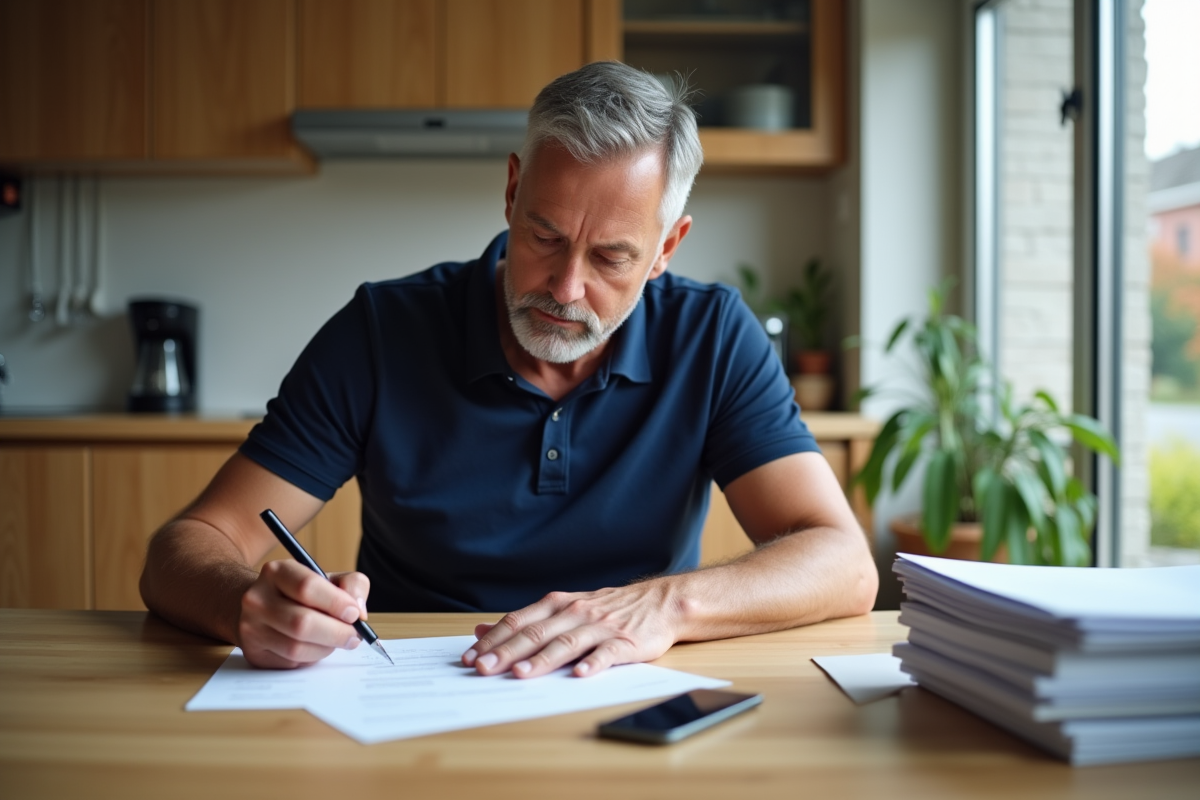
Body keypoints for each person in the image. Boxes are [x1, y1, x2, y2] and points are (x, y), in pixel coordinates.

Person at [140, 61, 877, 677]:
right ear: (511, 191)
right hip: (408, 697)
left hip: (621, 696)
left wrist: (661, 605)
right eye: (544, 235)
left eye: (612, 257)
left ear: (666, 248)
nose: (565, 288)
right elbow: (190, 543)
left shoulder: (712, 335)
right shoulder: (381, 331)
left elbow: (844, 563)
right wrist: (246, 605)